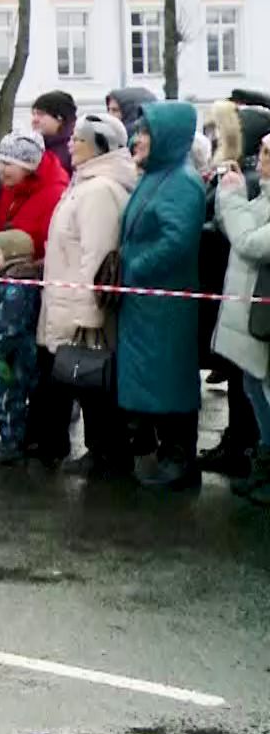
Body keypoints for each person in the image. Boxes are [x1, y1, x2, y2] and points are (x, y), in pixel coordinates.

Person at [37, 114, 138, 478]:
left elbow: (97, 256)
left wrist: (88, 315)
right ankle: (102, 450)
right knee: (85, 381)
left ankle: (107, 453)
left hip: (83, 306)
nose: (70, 144)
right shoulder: (86, 184)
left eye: (78, 139)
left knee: (93, 381)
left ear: (99, 146)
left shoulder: (99, 190)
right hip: (68, 298)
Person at [116, 103, 206, 491]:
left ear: (167, 137)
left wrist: (133, 266)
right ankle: (165, 455)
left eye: (146, 133)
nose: (138, 139)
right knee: (150, 379)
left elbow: (177, 241)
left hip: (163, 302)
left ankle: (180, 460)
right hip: (146, 302)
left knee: (170, 380)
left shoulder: (181, 182)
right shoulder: (158, 176)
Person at [199, 100, 270, 477]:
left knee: (254, 387)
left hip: (249, 301)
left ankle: (249, 450)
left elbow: (242, 237)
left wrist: (225, 198)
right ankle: (246, 446)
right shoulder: (247, 182)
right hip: (232, 296)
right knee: (246, 384)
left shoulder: (248, 185)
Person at [213, 135, 270, 505]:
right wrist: (234, 193)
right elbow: (235, 228)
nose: (262, 159)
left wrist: (233, 198)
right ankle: (265, 466)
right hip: (254, 320)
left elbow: (249, 241)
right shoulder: (264, 195)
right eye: (263, 151)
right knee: (256, 390)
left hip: (263, 321)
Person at [0, 229, 43, 467]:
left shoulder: (16, 287)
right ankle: (12, 439)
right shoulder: (9, 281)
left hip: (8, 357)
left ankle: (11, 444)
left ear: (13, 256)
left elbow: (10, 326)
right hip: (6, 355)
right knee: (7, 397)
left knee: (7, 398)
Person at [0, 132, 70, 258]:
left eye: (7, 163)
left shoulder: (54, 194)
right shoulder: (11, 185)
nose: (0, 169)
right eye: (0, 161)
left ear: (28, 166)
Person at [31, 91, 78, 175]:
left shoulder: (75, 147)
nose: (34, 120)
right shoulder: (36, 146)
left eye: (41, 114)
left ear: (60, 118)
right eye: (33, 114)